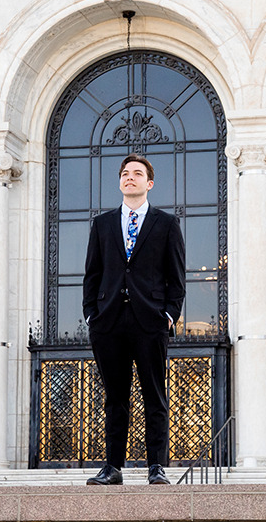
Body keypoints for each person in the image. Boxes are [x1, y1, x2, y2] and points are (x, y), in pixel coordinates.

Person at [83, 153, 185, 485]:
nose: (130, 177)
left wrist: (169, 315)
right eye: (125, 173)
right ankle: (112, 468)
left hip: (149, 321)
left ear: (149, 183)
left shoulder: (166, 224)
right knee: (115, 398)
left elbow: (176, 278)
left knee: (154, 396)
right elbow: (92, 274)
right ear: (120, 182)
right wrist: (91, 315)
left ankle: (157, 467)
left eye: (137, 173)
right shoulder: (102, 224)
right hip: (109, 321)